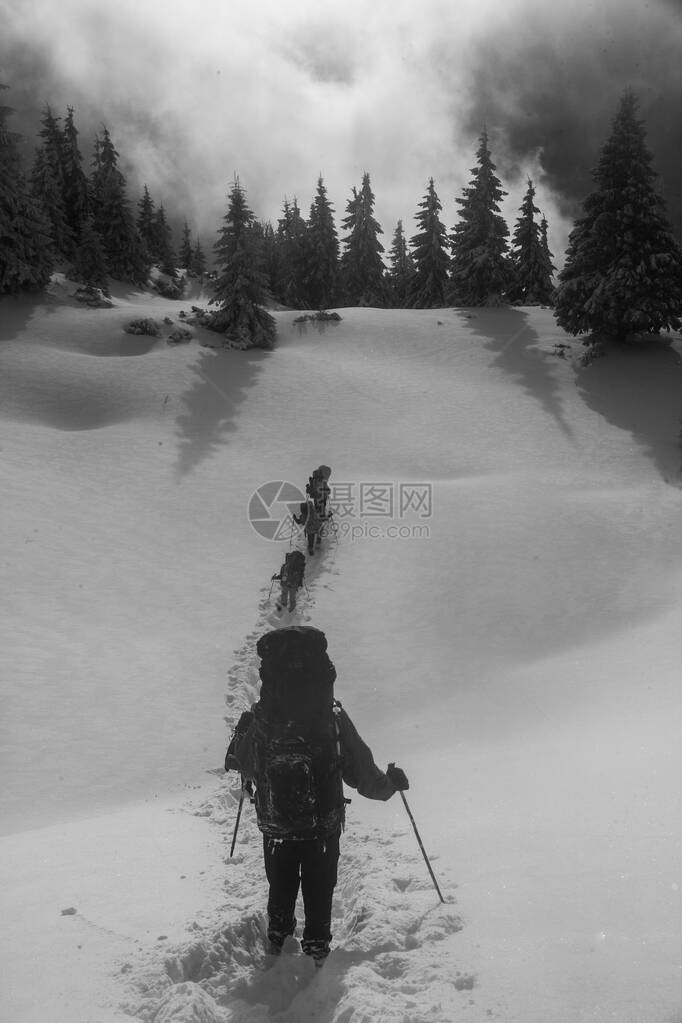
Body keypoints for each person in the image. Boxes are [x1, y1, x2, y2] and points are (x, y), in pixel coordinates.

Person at [224, 626, 409, 967]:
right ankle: (318, 948)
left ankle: (277, 938)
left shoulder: (262, 718)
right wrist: (390, 786)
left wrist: (243, 734)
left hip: (276, 822)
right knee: (320, 885)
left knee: (280, 883)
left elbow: (243, 763)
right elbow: (360, 773)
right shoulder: (332, 717)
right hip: (322, 823)